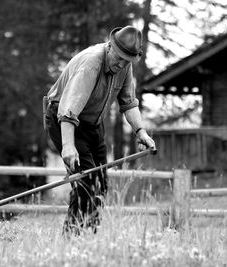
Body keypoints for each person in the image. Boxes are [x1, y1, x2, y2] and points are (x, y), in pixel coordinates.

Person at [44, 25, 156, 235]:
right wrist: (68, 146)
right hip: (65, 121)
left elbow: (129, 103)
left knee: (101, 184)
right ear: (110, 46)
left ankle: (88, 237)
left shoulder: (125, 65)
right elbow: (68, 112)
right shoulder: (91, 64)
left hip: (93, 124)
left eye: (127, 60)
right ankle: (73, 238)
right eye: (119, 57)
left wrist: (141, 132)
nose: (121, 63)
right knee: (86, 183)